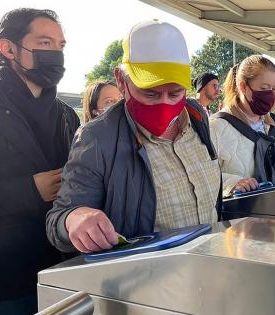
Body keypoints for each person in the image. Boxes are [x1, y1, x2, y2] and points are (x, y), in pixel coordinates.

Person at [47, 21, 221, 254]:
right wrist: (74, 218)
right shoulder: (98, 138)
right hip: (147, 279)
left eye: (175, 93)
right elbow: (59, 217)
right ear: (121, 80)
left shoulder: (197, 116)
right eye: (150, 93)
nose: (164, 103)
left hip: (208, 266)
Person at [0, 8, 80, 314]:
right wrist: (30, 190)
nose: (56, 54)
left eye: (60, 45)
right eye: (44, 43)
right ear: (7, 47)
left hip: (67, 275)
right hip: (3, 287)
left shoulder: (66, 115)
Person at [210, 55, 275, 196]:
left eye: (273, 88)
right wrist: (233, 183)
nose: (270, 95)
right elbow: (202, 175)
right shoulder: (216, 127)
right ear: (243, 86)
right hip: (241, 214)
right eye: (264, 88)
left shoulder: (271, 125)